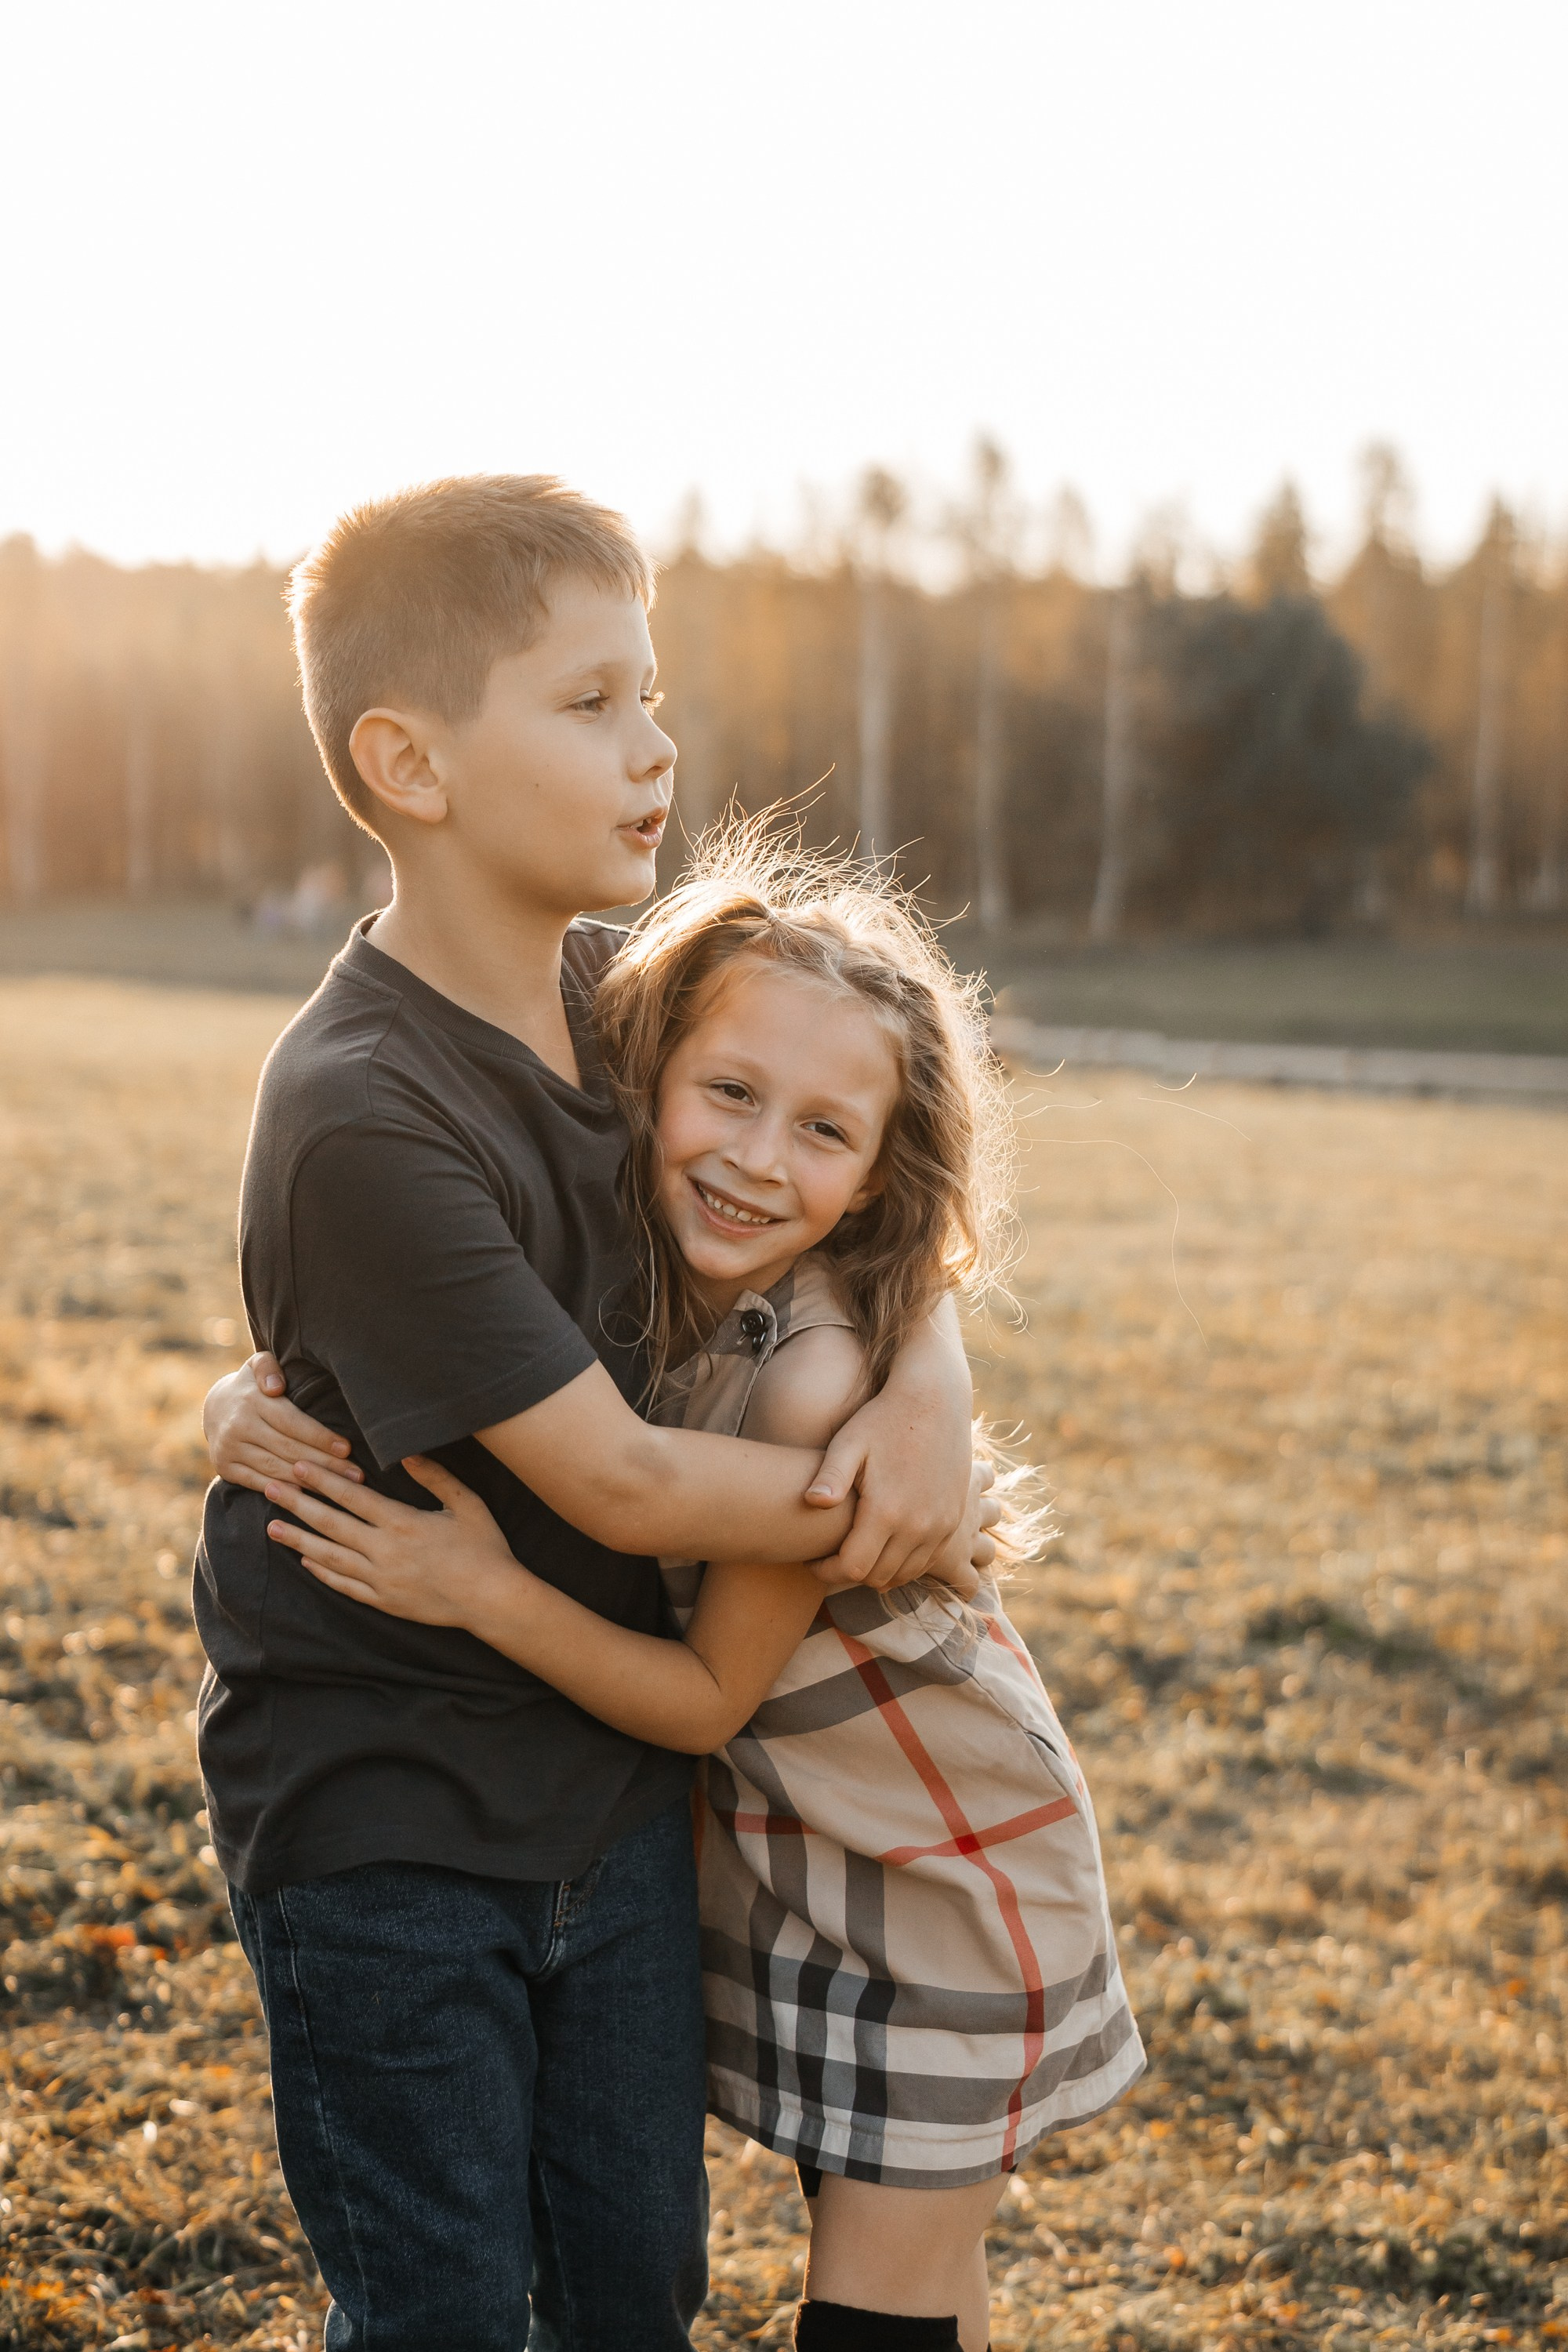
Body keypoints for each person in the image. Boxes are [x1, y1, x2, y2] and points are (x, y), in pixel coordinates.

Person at [194, 475, 998, 2352]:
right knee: (446, 2312)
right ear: (409, 762)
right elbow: (630, 1481)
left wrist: (933, 1379)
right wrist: (911, 1514)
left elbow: (849, 1184)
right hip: (389, 1805)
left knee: (633, 2291)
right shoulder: (358, 1105)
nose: (657, 750)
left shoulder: (618, 1003)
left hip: (617, 1785)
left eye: (653, 695)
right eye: (590, 705)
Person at [234, 828, 1146, 2352]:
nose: (752, 1159)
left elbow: (709, 1691)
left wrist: (482, 1589)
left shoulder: (807, 1385)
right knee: (931, 2283)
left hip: (938, 1883)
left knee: (878, 2307)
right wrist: (227, 1403)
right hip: (817, 1868)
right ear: (652, 1073)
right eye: (729, 1095)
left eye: (821, 1134)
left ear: (874, 1179)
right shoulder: (670, 1288)